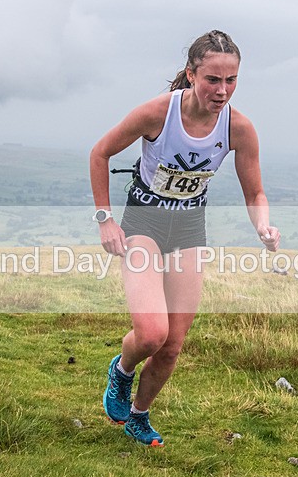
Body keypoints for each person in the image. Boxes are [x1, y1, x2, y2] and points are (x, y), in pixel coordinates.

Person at [90, 30, 280, 447]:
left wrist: (263, 226)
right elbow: (100, 152)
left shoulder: (239, 128)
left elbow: (256, 192)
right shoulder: (158, 113)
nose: (222, 90)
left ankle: (140, 415)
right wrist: (105, 219)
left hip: (190, 227)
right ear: (192, 75)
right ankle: (121, 371)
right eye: (213, 79)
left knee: (173, 346)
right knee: (152, 334)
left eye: (231, 80)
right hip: (144, 222)